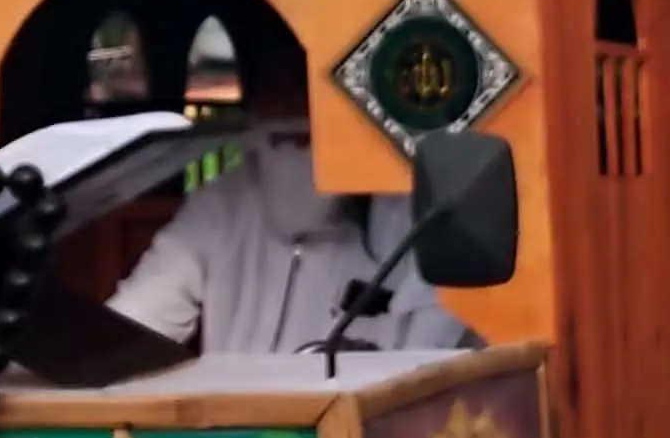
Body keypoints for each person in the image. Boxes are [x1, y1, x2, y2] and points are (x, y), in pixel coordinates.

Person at [109, 37, 471, 360]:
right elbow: (134, 325)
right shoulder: (222, 204)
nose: (288, 104)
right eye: (273, 89)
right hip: (233, 413)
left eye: (303, 87)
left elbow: (435, 364)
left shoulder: (412, 219)